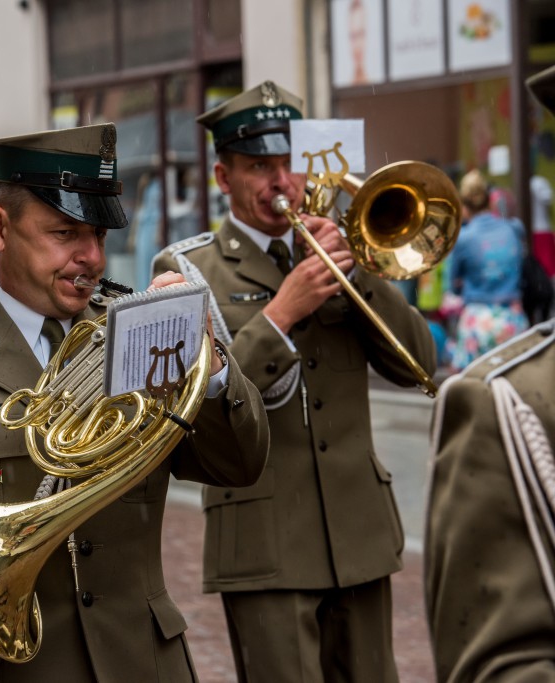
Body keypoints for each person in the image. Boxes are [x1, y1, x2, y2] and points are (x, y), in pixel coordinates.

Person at [0, 122, 270, 682]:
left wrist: (211, 368)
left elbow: (238, 464)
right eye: (64, 233)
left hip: (142, 662)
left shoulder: (134, 329)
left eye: (99, 235)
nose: (90, 257)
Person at [153, 80, 437, 683]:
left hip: (359, 532)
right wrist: (280, 312)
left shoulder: (345, 256)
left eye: (289, 165)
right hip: (263, 542)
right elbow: (192, 410)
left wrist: (361, 274)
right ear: (223, 177)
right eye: (259, 166)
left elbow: (419, 365)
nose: (280, 182)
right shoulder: (185, 269)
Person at [424, 61, 555, 683]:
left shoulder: (470, 235)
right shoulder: (508, 227)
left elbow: (449, 295)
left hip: (480, 323)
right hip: (512, 319)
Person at [447, 169, 530, 369]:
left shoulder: (464, 238)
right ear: (489, 199)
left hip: (478, 323)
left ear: (464, 207)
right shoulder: (514, 227)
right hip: (513, 319)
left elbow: (454, 286)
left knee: (468, 388)